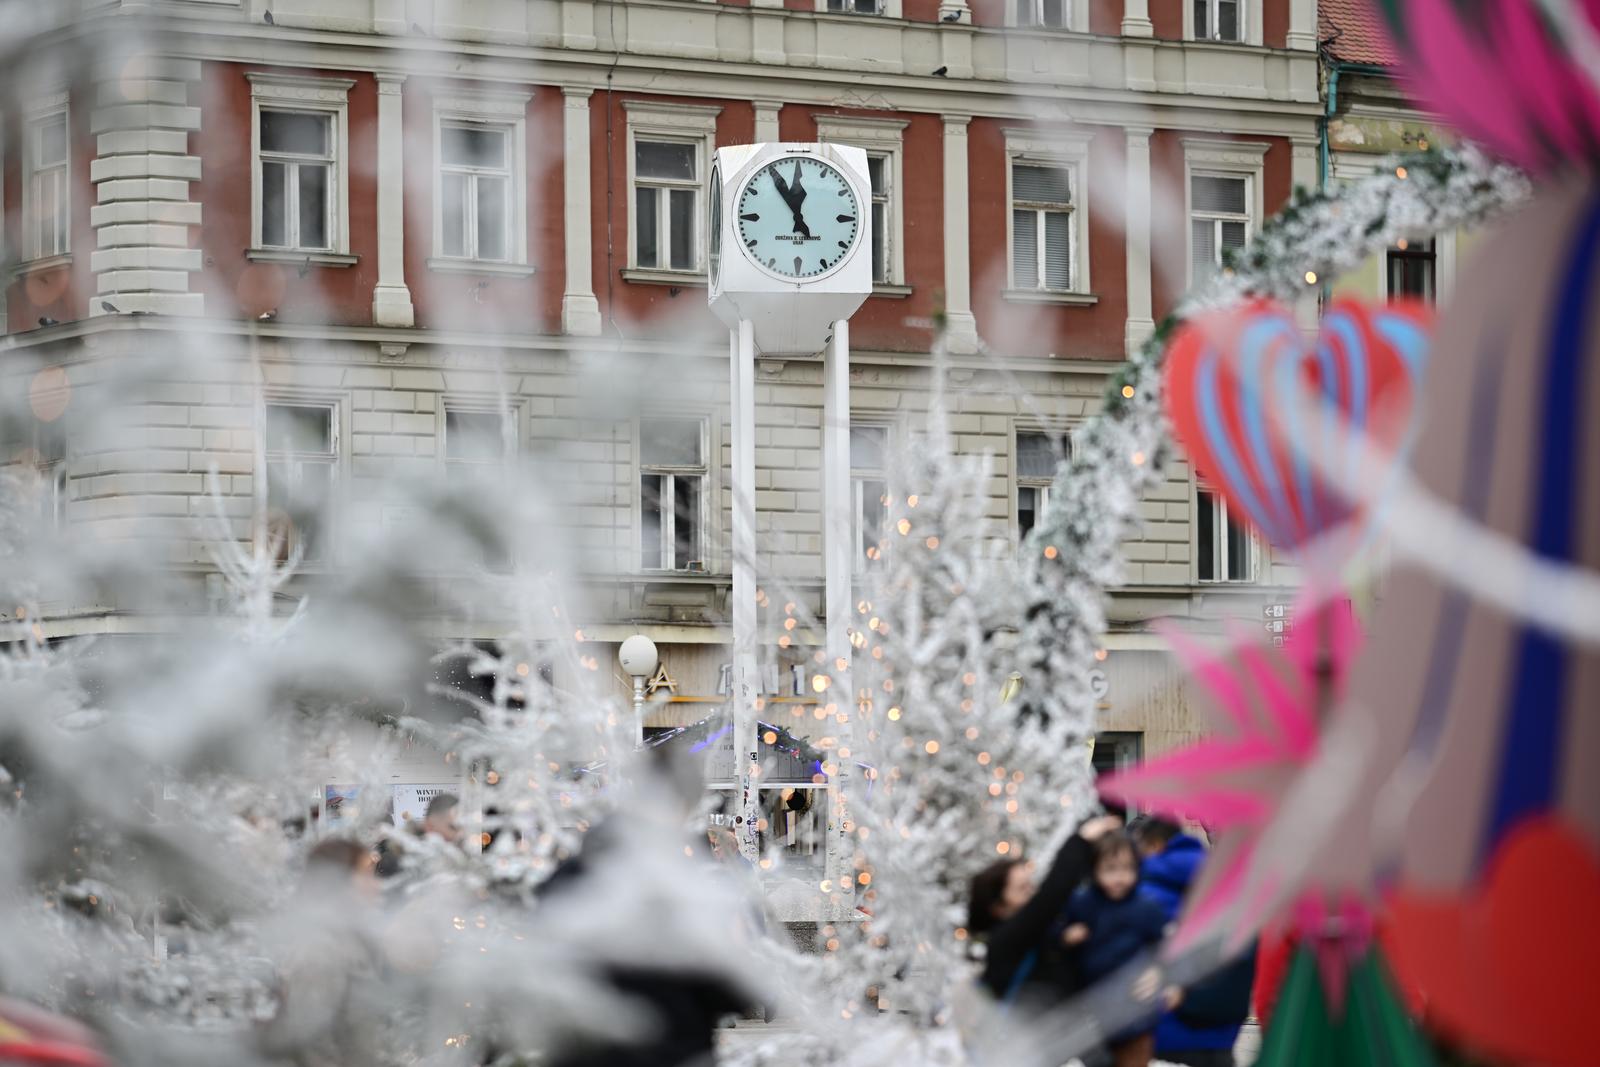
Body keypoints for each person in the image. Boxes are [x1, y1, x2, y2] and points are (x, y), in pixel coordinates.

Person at [968, 813, 1122, 1009]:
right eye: (1023, 888)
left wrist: (1062, 941)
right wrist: (1081, 840)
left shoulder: (1036, 937)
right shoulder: (1003, 942)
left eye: (1032, 885)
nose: (1033, 893)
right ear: (998, 907)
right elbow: (1051, 896)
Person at [1134, 816, 1254, 1067]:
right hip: (1218, 1037)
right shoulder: (1225, 887)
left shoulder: (1143, 892)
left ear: (1153, 845)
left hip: (1156, 1037)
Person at [1060, 831, 1172, 1067]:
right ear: (1094, 869)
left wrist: (1158, 971)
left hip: (1136, 1014)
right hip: (1092, 1013)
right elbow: (1056, 940)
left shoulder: (1146, 907)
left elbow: (1163, 947)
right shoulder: (1082, 904)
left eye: (1127, 868)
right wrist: (1066, 937)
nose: (1119, 878)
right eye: (1110, 869)